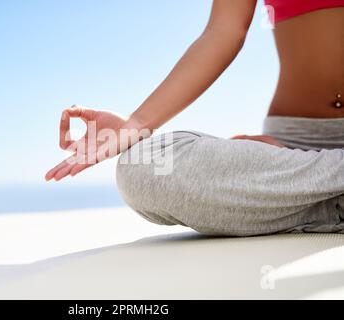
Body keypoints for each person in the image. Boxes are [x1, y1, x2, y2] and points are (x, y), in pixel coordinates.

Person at [45, 0, 344, 236]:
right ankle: (333, 196)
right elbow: (224, 31)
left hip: (300, 166)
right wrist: (135, 124)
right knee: (145, 166)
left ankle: (316, 195)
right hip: (293, 142)